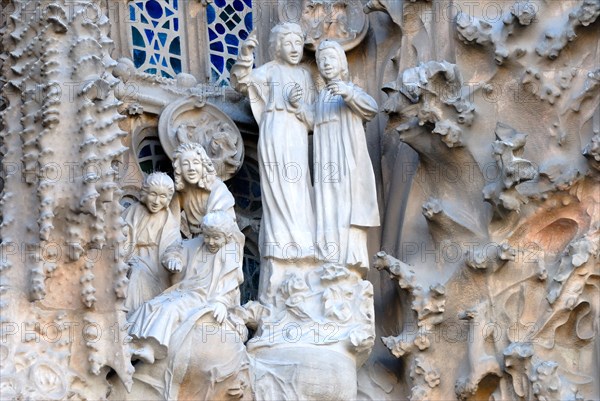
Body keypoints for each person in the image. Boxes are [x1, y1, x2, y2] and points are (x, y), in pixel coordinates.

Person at [231, 23, 316, 261]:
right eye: (287, 43)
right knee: (279, 185)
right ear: (278, 47)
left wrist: (299, 105)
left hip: (297, 134)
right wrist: (246, 55)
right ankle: (282, 243)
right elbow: (241, 82)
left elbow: (314, 117)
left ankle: (302, 241)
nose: (294, 48)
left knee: (298, 185)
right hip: (275, 132)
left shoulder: (305, 75)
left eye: (298, 43)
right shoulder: (269, 70)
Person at [127, 210, 245, 363]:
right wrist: (173, 259)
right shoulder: (196, 245)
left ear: (227, 237)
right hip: (183, 292)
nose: (210, 242)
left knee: (170, 309)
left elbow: (229, 285)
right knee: (150, 305)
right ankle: (131, 342)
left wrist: (221, 303)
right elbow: (176, 249)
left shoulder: (229, 256)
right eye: (207, 236)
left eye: (216, 238)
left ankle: (151, 347)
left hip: (202, 299)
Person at [312, 40, 379, 269]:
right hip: (325, 162)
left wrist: (348, 93)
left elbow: (371, 108)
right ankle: (329, 256)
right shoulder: (321, 97)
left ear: (341, 63)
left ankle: (351, 258)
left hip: (346, 159)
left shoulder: (348, 90)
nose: (325, 63)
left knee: (347, 204)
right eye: (321, 61)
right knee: (327, 203)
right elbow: (310, 120)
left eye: (330, 58)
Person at [123, 172, 180, 315]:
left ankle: (132, 318)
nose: (156, 201)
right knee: (135, 270)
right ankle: (127, 317)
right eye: (153, 194)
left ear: (168, 198)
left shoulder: (169, 220)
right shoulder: (133, 212)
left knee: (138, 272)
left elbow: (174, 246)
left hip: (155, 266)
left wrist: (173, 259)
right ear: (145, 193)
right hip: (131, 257)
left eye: (162, 196)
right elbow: (120, 236)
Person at [172, 142, 235, 237]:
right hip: (197, 242)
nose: (191, 168)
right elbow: (170, 223)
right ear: (179, 169)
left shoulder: (217, 188)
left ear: (204, 165)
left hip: (220, 241)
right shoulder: (181, 192)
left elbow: (227, 227)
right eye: (185, 164)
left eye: (196, 163)